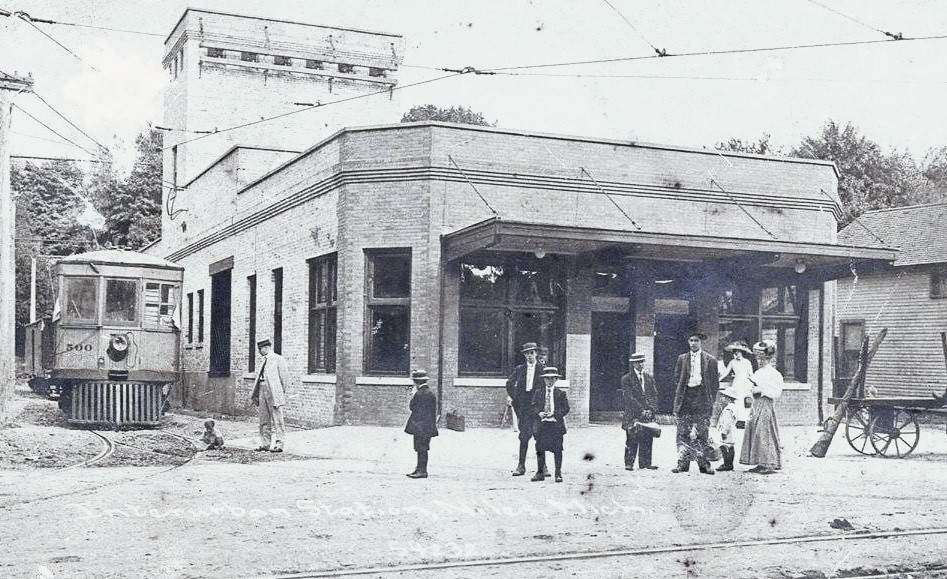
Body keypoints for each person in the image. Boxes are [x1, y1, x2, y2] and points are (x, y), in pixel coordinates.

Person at [672, 332, 719, 474]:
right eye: (691, 340)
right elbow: (676, 378)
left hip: (701, 398)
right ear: (688, 341)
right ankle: (682, 464)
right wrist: (682, 393)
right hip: (686, 398)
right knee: (683, 432)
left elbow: (714, 383)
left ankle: (704, 464)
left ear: (701, 342)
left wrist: (710, 401)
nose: (693, 343)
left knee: (702, 432)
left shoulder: (710, 360)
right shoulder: (682, 358)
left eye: (696, 341)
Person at [740, 340, 783, 475]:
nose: (761, 361)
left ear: (770, 358)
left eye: (764, 358)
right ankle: (758, 462)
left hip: (766, 405)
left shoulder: (775, 374)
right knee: (754, 431)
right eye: (759, 358)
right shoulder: (757, 373)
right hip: (756, 404)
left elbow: (777, 393)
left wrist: (762, 390)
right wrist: (752, 390)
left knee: (765, 432)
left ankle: (768, 463)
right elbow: (751, 388)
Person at [506, 342, 544, 476]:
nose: (529, 356)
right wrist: (515, 398)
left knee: (539, 435)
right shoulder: (519, 369)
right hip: (524, 406)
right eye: (527, 353)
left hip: (538, 406)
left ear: (536, 353)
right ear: (524, 355)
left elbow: (546, 387)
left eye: (532, 353)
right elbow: (509, 383)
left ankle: (543, 466)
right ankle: (521, 466)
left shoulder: (542, 369)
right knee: (524, 436)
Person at [619, 352, 659, 471]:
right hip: (633, 413)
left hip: (648, 413)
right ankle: (629, 463)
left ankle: (646, 463)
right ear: (633, 364)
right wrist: (641, 410)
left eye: (642, 361)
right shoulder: (626, 379)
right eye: (638, 362)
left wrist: (651, 409)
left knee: (647, 437)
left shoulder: (649, 377)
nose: (641, 364)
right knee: (632, 438)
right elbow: (629, 397)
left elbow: (654, 395)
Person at [250, 338, 291, 453]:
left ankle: (280, 444)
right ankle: (265, 443)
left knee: (277, 419)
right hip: (262, 389)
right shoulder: (263, 360)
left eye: (260, 349)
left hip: (274, 392)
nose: (259, 352)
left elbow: (284, 378)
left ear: (266, 348)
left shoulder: (278, 359)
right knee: (263, 418)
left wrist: (279, 393)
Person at [530, 366, 569, 482]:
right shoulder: (539, 393)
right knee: (540, 448)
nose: (550, 381)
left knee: (557, 449)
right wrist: (539, 413)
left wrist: (555, 413)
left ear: (556, 380)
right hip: (542, 425)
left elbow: (566, 408)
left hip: (555, 425)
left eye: (552, 378)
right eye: (547, 378)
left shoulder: (560, 394)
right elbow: (533, 406)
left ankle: (558, 473)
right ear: (544, 380)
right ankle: (540, 472)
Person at [405, 369, 439, 479]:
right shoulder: (429, 393)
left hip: (420, 426)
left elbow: (413, 407)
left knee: (421, 449)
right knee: (422, 448)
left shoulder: (420, 394)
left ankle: (422, 471)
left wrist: (413, 395)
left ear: (416, 381)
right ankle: (420, 469)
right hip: (426, 426)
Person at [714, 386, 740, 472]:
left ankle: (727, 464)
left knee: (724, 447)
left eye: (725, 397)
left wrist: (724, 432)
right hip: (732, 430)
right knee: (730, 446)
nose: (723, 399)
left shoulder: (728, 409)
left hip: (728, 431)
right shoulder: (734, 407)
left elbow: (727, 422)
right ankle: (729, 463)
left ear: (729, 399)